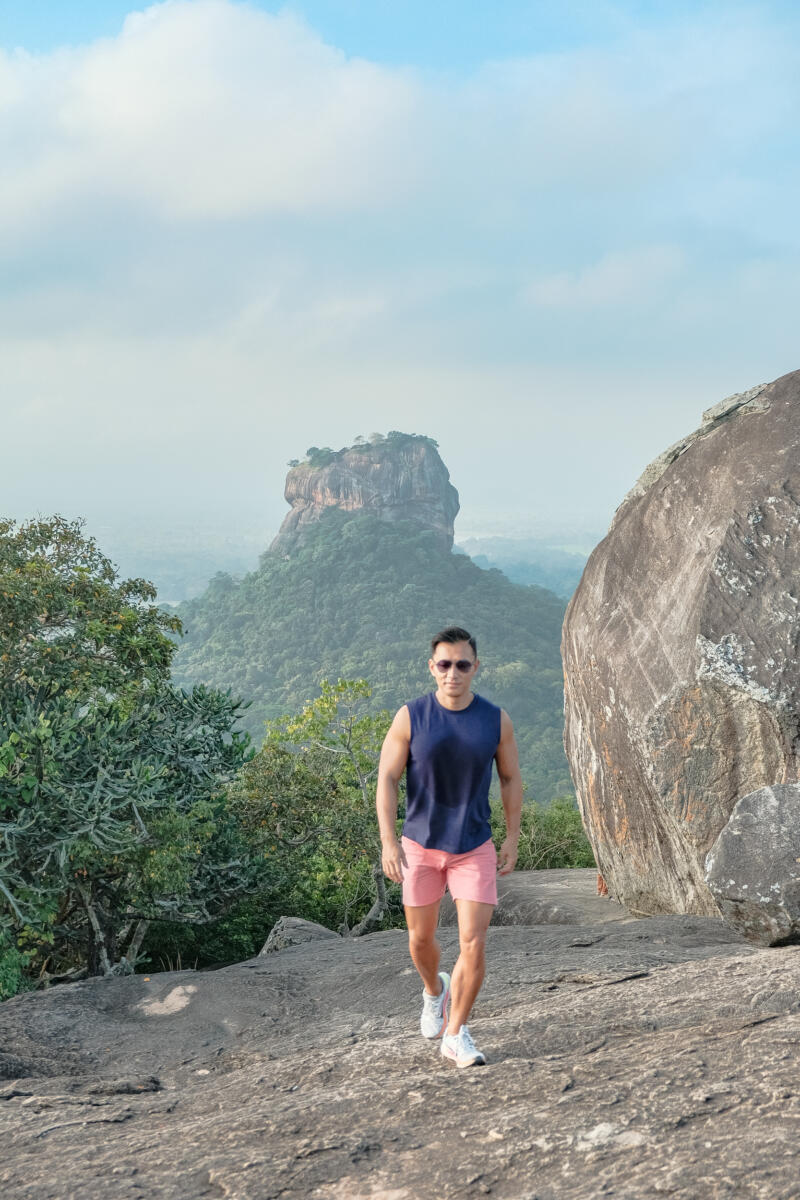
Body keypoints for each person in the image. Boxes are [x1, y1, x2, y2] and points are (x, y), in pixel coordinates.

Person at [376, 626, 523, 1067]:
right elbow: (387, 778)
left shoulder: (495, 719)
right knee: (420, 940)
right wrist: (388, 841)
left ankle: (456, 1034)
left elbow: (510, 779)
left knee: (473, 942)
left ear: (475, 667)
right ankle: (434, 991)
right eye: (444, 664)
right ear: (432, 667)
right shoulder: (411, 716)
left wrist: (512, 837)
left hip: (473, 846)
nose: (452, 673)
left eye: (462, 665)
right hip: (419, 846)